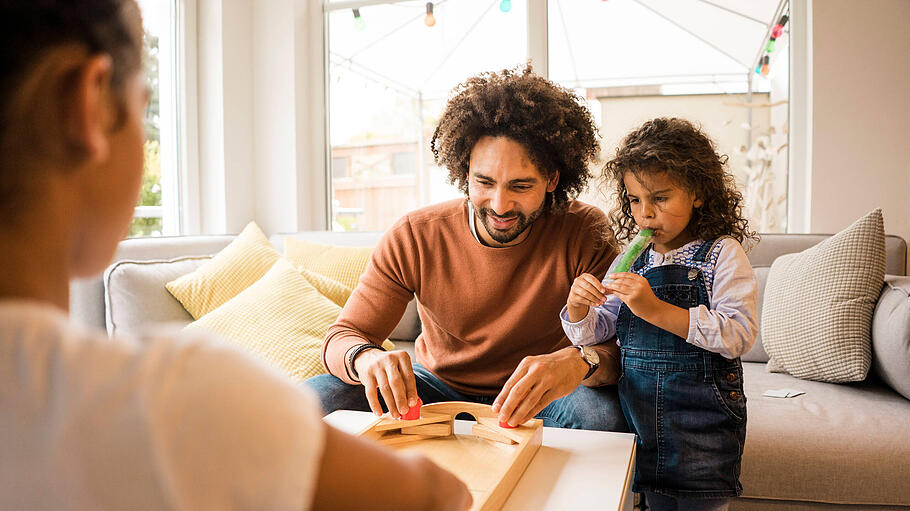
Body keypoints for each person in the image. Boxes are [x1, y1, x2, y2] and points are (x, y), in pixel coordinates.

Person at [0, 2, 471, 510]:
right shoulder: (182, 398)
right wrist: (366, 358)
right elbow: (436, 497)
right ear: (88, 104)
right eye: (142, 103)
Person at [307, 66, 627, 432]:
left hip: (543, 396)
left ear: (553, 179)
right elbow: (343, 336)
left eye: (520, 186)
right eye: (484, 182)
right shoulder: (415, 235)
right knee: (317, 398)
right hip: (434, 390)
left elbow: (620, 349)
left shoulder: (584, 230)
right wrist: (365, 359)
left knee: (602, 415)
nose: (500, 204)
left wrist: (577, 360)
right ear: (465, 170)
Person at [562, 118, 759, 511]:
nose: (645, 214)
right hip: (642, 419)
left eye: (660, 198)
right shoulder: (629, 260)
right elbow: (600, 329)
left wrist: (655, 309)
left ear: (698, 194)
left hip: (703, 421)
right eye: (635, 200)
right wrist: (578, 306)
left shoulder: (721, 254)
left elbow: (738, 333)